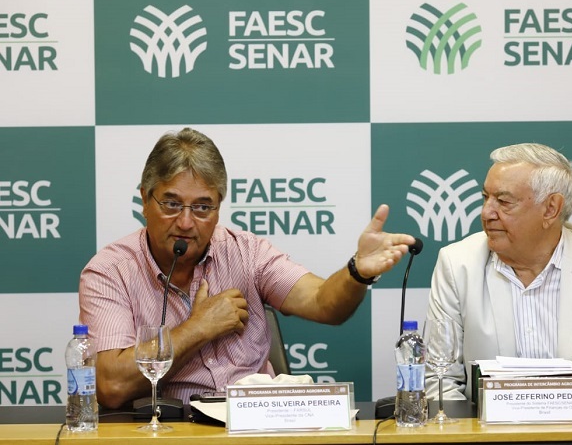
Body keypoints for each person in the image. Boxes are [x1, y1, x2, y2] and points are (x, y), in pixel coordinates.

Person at [79, 127, 415, 409]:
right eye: (171, 203)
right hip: (174, 433)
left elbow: (322, 303)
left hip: (258, 426)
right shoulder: (111, 271)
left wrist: (357, 271)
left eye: (202, 207)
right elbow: (112, 385)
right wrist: (199, 328)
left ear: (219, 206)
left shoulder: (247, 252)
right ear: (144, 199)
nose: (185, 222)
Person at [425, 142, 572, 401]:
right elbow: (440, 382)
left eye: (503, 201)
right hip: (488, 437)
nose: (486, 212)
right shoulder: (457, 264)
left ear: (551, 209)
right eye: (485, 197)